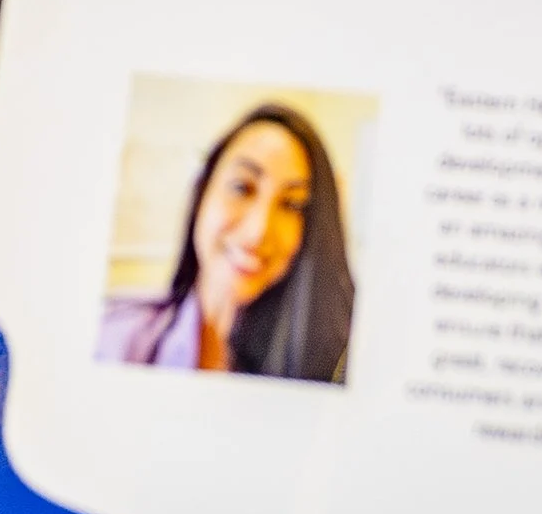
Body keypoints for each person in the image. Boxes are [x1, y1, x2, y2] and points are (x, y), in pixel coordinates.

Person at [96, 104, 354, 380]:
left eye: (292, 204)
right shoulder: (110, 336)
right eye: (242, 187)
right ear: (202, 193)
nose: (258, 230)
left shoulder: (333, 364)